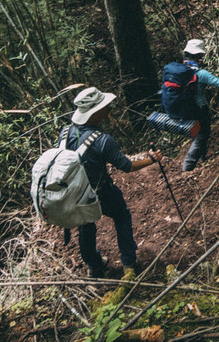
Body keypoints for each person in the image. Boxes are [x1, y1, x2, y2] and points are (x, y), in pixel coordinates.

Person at [63, 86, 162, 278]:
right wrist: (151, 159)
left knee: (86, 226)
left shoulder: (65, 132)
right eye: (105, 105)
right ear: (95, 113)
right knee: (122, 216)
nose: (109, 107)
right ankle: (129, 263)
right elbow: (126, 166)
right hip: (101, 191)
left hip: (76, 193)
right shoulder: (102, 140)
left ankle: (94, 266)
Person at [162, 39, 219, 171]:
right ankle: (187, 167)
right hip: (199, 111)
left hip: (182, 110)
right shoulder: (200, 74)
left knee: (199, 135)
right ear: (199, 57)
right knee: (202, 136)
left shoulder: (176, 71)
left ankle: (203, 159)